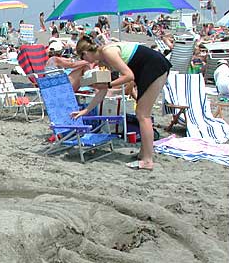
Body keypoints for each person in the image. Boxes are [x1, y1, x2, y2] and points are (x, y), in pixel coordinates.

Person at [72, 36, 172, 170]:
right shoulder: (103, 60)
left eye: (82, 57)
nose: (84, 61)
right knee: (141, 114)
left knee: (143, 115)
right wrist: (85, 111)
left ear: (86, 53)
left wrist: (109, 84)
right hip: (147, 68)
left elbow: (128, 76)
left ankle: (147, 160)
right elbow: (102, 91)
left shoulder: (108, 52)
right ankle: (143, 153)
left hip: (154, 66)